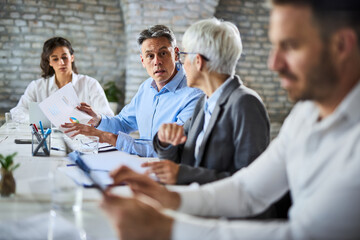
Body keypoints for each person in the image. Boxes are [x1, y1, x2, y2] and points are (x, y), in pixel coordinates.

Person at [100, 0, 360, 239]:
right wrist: (169, 197)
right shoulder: (304, 115)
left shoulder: (246, 104)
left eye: (290, 45)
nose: (273, 63)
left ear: (341, 46)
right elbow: (246, 189)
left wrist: (167, 227)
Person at [145, 19, 270, 186]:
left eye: (184, 55)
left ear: (198, 61)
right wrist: (166, 141)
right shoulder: (204, 102)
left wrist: (184, 175)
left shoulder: (245, 103)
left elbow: (251, 183)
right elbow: (178, 160)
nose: (181, 63)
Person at [61, 25, 203, 157]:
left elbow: (171, 149)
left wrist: (106, 137)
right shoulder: (146, 87)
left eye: (163, 53)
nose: (157, 61)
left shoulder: (194, 94)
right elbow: (123, 123)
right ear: (142, 61)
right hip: (141, 163)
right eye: (150, 56)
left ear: (176, 55)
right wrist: (98, 120)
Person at [10, 37, 114, 123]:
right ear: (49, 62)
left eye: (64, 57)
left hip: (84, 139)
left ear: (72, 57)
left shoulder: (90, 84)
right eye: (55, 59)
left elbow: (108, 115)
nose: (61, 63)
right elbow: (17, 112)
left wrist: (92, 118)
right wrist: (42, 120)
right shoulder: (36, 86)